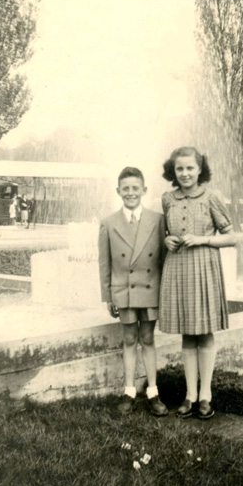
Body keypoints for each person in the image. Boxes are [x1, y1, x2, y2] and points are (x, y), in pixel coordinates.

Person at [159, 146, 236, 420]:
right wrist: (166, 239)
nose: (185, 173)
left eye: (190, 168)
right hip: (178, 266)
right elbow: (167, 233)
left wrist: (203, 239)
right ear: (173, 171)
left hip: (204, 265)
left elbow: (231, 237)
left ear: (200, 169)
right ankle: (190, 395)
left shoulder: (211, 196)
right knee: (187, 333)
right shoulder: (168, 198)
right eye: (180, 168)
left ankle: (206, 395)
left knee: (204, 332)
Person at [98, 167, 168, 417]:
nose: (130, 193)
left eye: (135, 188)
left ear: (144, 190)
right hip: (123, 292)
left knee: (148, 339)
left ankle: (152, 392)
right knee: (129, 340)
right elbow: (104, 263)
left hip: (149, 291)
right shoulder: (108, 222)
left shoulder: (158, 220)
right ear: (118, 191)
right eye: (125, 188)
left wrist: (164, 293)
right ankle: (128, 391)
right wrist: (108, 296)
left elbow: (163, 260)